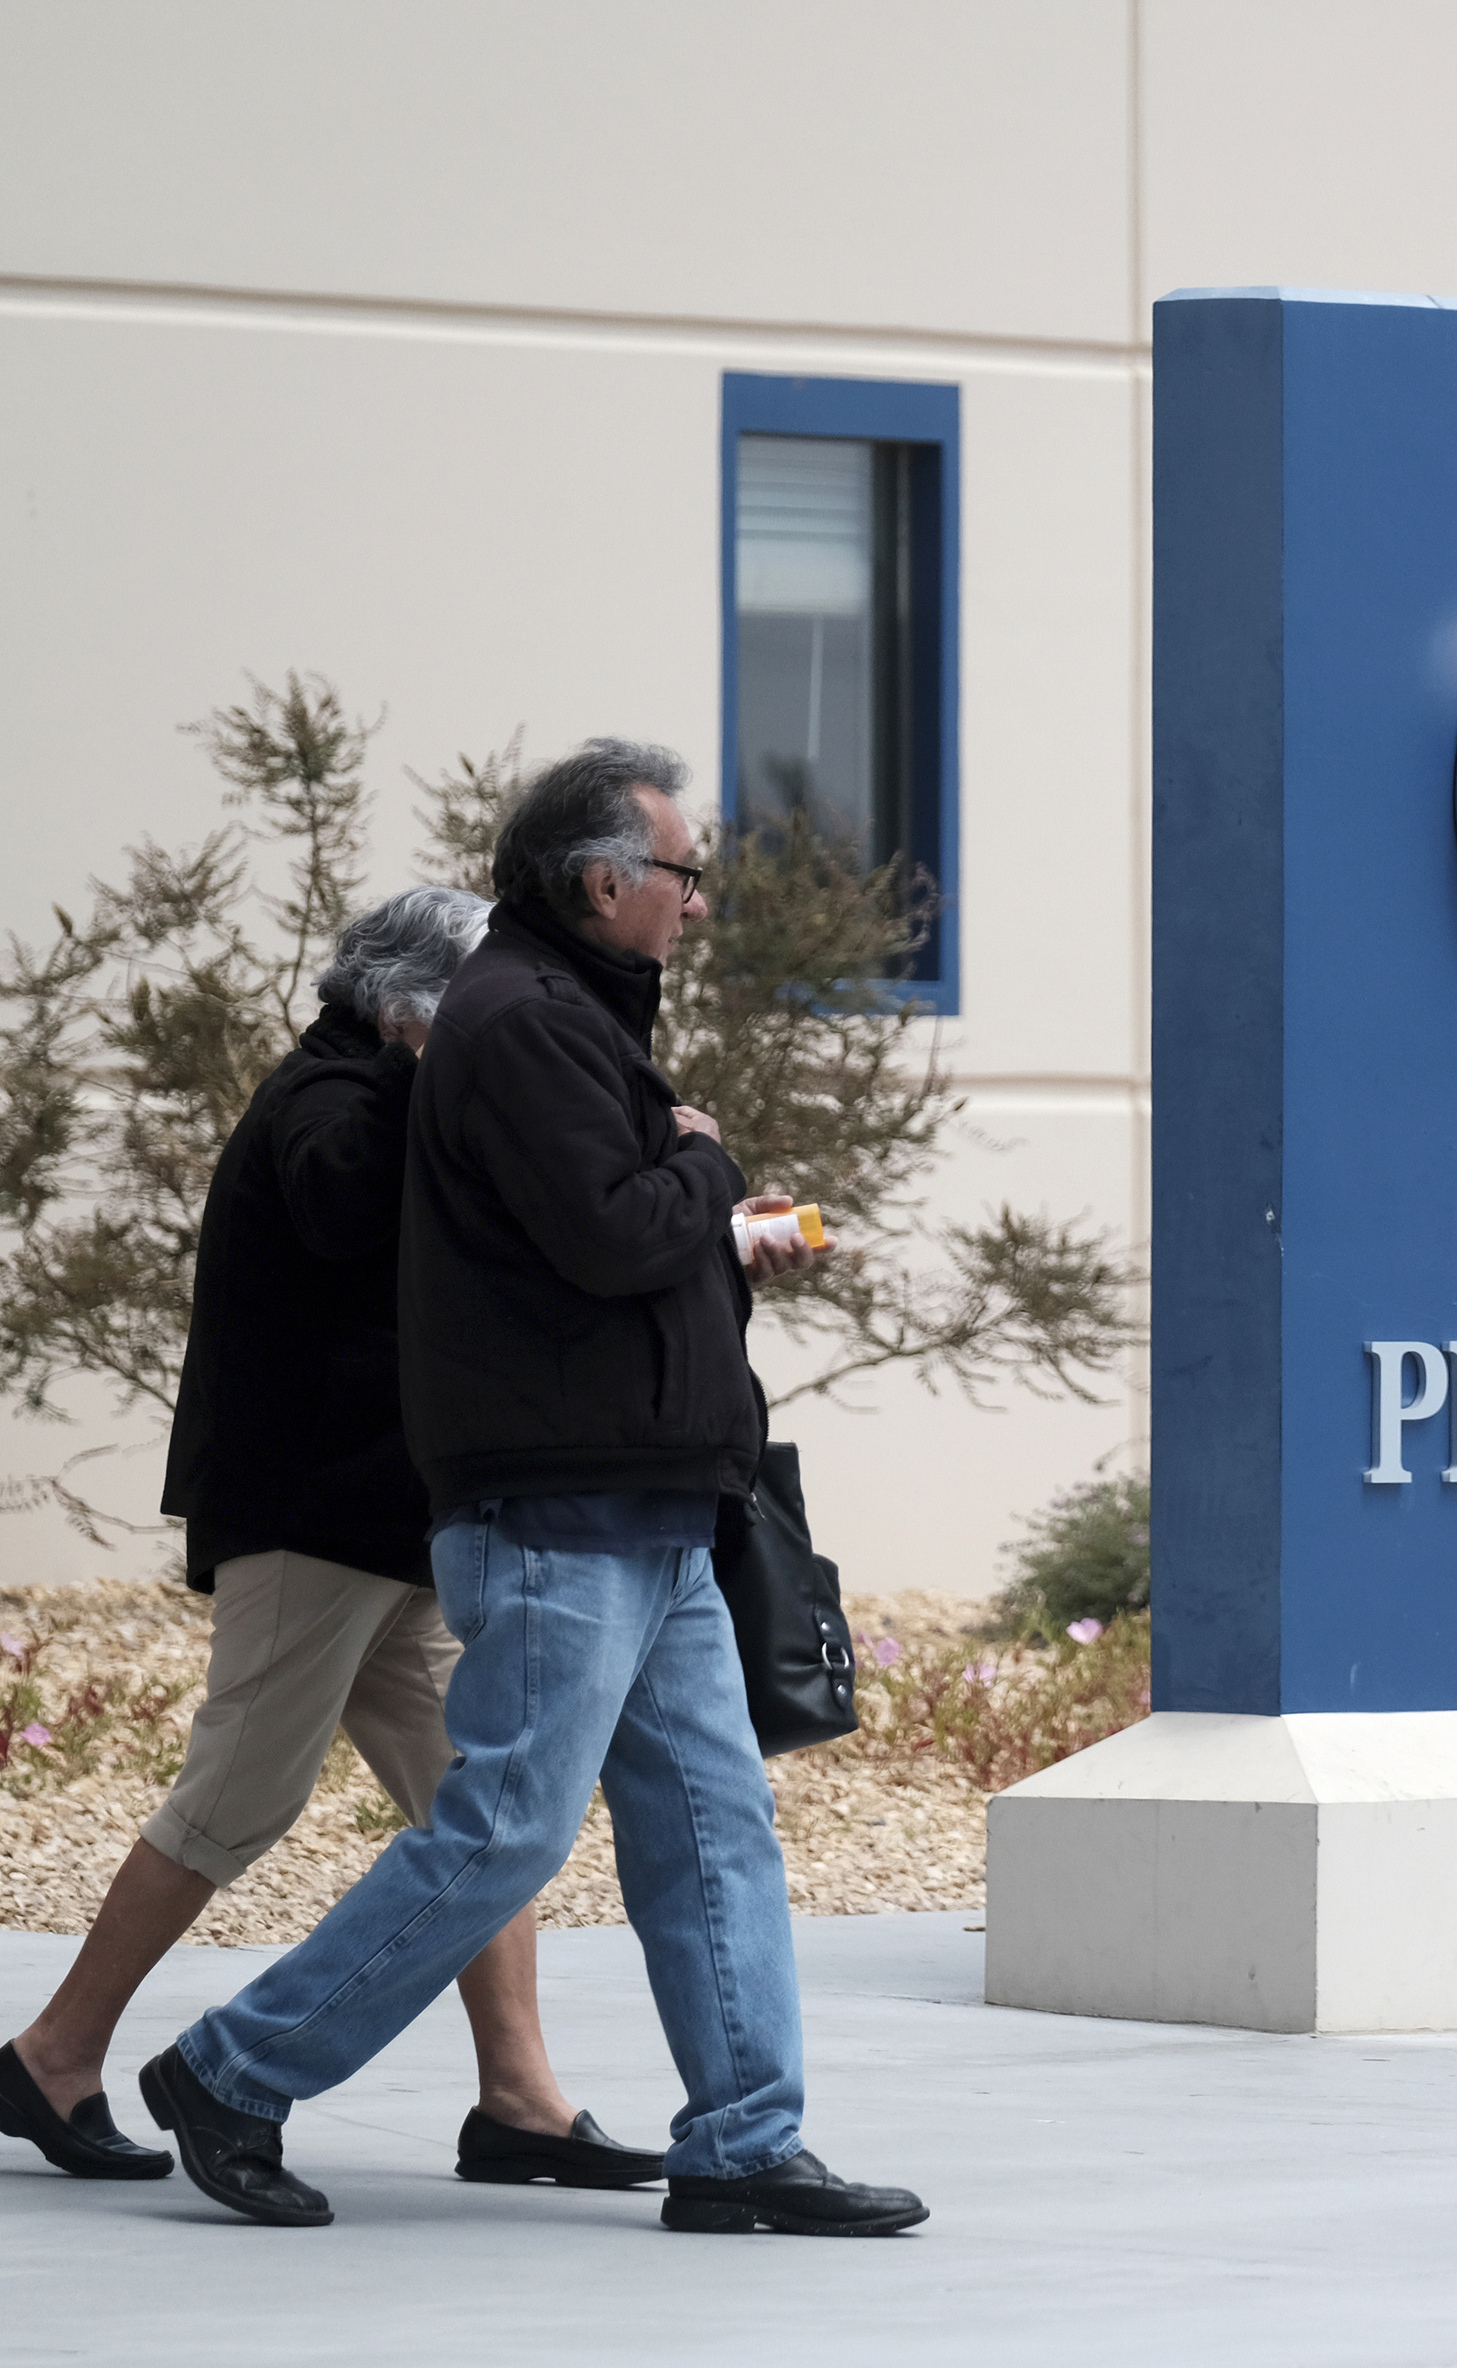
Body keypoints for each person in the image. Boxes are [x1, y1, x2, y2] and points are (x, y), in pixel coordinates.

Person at [134, 740, 925, 2235]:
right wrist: (709, 1161)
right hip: (560, 1510)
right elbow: (615, 1235)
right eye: (684, 876)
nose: (697, 904)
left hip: (649, 1508)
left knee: (713, 1828)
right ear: (602, 880)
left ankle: (745, 2143)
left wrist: (696, 1196)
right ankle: (236, 2068)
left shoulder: (567, 1018)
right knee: (503, 1830)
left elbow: (614, 1235)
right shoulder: (520, 1023)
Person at [1, 888, 650, 2194]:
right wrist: (442, 1080)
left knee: (479, 1807)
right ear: (415, 1008)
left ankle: (520, 2099)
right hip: (310, 1521)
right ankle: (55, 2054)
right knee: (243, 1791)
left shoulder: (379, 1094)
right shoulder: (332, 1102)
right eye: (479, 1006)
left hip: (386, 1525)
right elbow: (346, 1201)